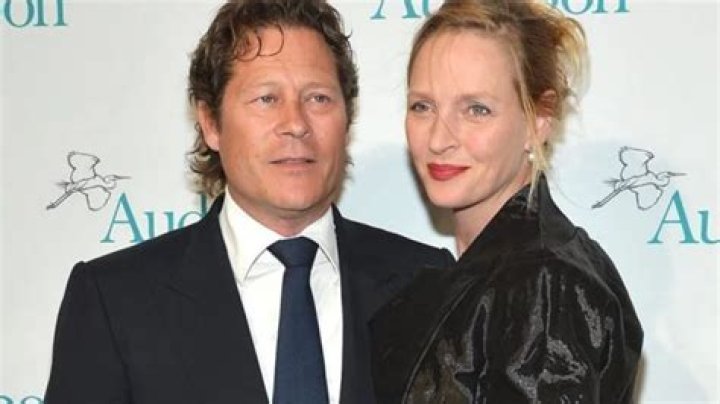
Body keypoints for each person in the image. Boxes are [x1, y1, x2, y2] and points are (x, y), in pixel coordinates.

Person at [44, 1, 453, 403]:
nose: (295, 124)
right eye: (266, 99)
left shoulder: (429, 283)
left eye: (318, 99)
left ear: (347, 119)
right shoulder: (116, 301)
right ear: (211, 123)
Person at [371, 0, 643, 402]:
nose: (438, 139)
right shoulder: (516, 270)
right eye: (422, 106)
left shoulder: (542, 286)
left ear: (538, 120)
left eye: (476, 109)